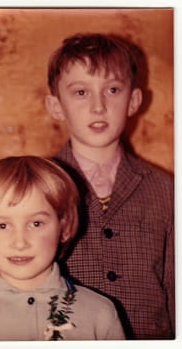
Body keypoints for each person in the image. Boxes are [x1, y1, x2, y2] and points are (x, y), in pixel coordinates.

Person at [44, 33, 174, 339]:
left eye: (112, 90)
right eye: (80, 93)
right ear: (55, 105)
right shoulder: (38, 186)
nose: (98, 106)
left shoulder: (167, 190)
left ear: (134, 101)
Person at [0, 156, 125, 341]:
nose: (20, 243)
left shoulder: (100, 314)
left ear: (64, 228)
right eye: (3, 226)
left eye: (36, 223)